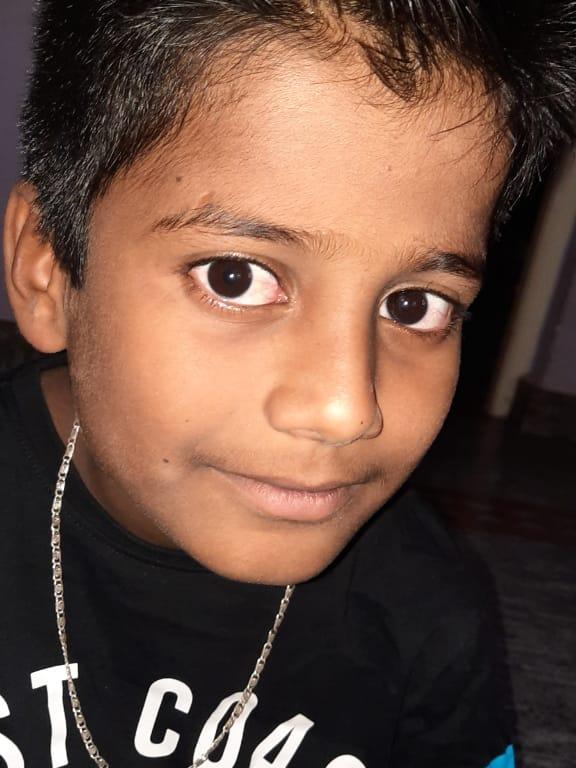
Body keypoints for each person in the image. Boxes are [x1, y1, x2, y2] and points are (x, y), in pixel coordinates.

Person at [1, 1, 574, 765]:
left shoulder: (428, 617)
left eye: (415, 305)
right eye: (235, 278)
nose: (344, 408)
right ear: (46, 269)